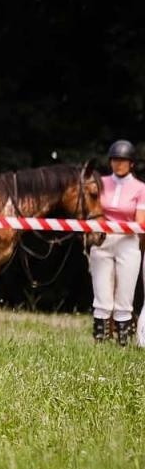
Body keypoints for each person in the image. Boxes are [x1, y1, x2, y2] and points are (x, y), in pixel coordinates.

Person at [87, 139, 145, 344]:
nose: (118, 164)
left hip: (127, 241)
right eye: (114, 160)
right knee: (101, 292)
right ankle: (100, 339)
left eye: (123, 160)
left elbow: (140, 220)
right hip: (102, 239)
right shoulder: (100, 183)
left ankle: (122, 340)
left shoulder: (140, 188)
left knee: (125, 295)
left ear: (131, 164)